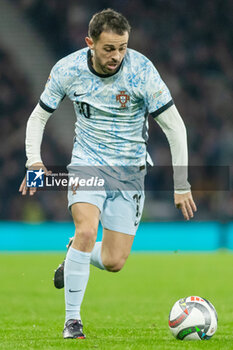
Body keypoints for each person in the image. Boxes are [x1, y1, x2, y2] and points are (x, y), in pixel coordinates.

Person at [19, 8, 197, 339]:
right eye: (109, 49)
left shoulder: (142, 71)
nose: (117, 56)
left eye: (122, 47)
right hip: (87, 163)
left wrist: (182, 184)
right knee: (87, 230)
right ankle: (73, 322)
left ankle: (76, 251)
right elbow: (38, 117)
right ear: (90, 43)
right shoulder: (68, 70)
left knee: (115, 261)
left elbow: (175, 127)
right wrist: (34, 161)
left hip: (130, 172)